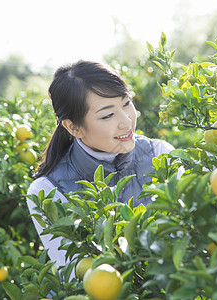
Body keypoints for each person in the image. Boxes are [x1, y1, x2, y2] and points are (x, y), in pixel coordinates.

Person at [26, 60, 175, 272]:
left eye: (126, 103)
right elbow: (75, 275)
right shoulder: (48, 192)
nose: (126, 121)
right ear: (73, 127)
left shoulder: (161, 155)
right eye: (107, 115)